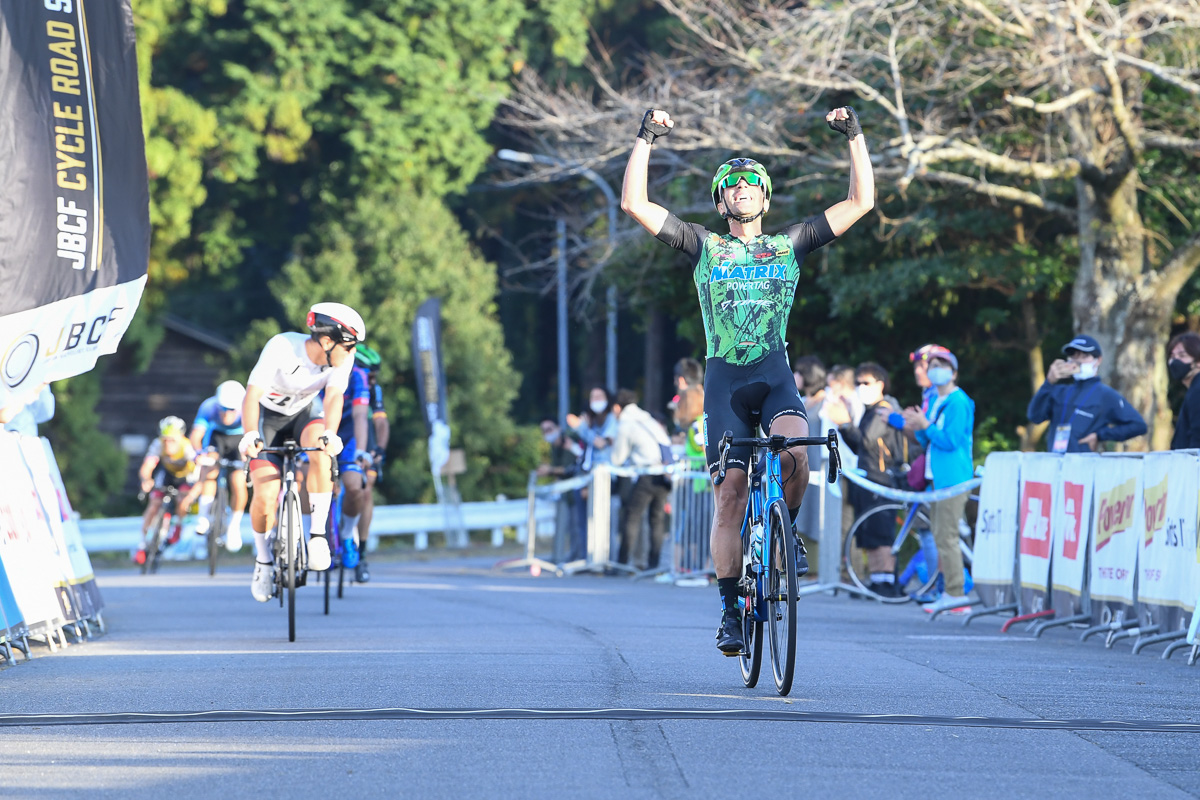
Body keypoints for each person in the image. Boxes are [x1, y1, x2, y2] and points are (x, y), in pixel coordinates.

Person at [621, 103, 874, 653]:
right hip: (725, 382)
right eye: (730, 186)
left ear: (764, 198)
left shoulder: (789, 244)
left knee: (797, 453)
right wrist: (645, 137)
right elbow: (634, 204)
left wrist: (854, 135)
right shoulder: (704, 246)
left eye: (750, 184)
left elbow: (861, 202)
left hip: (774, 372)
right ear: (721, 202)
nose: (741, 189)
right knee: (730, 496)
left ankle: (791, 532)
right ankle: (731, 609)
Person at [239, 302, 365, 603]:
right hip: (266, 419)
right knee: (266, 496)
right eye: (348, 346)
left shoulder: (342, 359)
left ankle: (318, 536)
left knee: (321, 450)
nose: (352, 353)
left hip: (304, 415)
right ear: (326, 340)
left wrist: (331, 434)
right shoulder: (282, 346)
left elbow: (334, 397)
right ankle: (263, 561)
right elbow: (252, 394)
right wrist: (249, 434)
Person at [901, 350, 975, 615]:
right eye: (932, 365)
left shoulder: (958, 401)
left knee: (947, 536)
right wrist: (918, 425)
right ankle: (949, 593)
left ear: (954, 372)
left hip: (954, 479)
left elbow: (950, 440)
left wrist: (925, 425)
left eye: (942, 365)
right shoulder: (936, 400)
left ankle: (956, 595)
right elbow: (928, 441)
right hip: (938, 477)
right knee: (940, 535)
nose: (935, 369)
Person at [833, 363, 907, 597]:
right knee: (869, 534)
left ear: (880, 384)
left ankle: (887, 583)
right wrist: (845, 426)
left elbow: (867, 441)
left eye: (866, 383)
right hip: (868, 477)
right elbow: (858, 448)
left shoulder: (884, 408)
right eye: (858, 383)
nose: (861, 387)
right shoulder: (870, 410)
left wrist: (846, 423)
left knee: (881, 533)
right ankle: (877, 580)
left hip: (881, 479)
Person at [1026, 334, 1146, 453]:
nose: (1078, 361)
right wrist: (1049, 383)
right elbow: (1034, 417)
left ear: (1098, 360)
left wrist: (1100, 435)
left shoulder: (1106, 395)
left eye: (1084, 356)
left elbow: (1138, 426)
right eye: (1073, 355)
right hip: (1055, 463)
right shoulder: (1059, 391)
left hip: (1084, 466)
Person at [322, 343, 376, 580]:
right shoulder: (318, 369)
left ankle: (345, 534)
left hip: (349, 434)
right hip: (320, 429)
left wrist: (362, 451)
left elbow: (361, 416)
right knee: (307, 479)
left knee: (356, 488)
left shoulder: (358, 376)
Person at [610, 388, 673, 571]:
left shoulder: (626, 424)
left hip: (646, 474)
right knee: (657, 520)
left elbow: (617, 459)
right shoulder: (648, 418)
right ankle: (653, 565)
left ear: (616, 407)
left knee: (632, 517)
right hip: (663, 473)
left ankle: (621, 564)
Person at [136, 416, 206, 564]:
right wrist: (146, 480)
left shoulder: (187, 447)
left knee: (182, 501)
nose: (168, 444)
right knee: (154, 503)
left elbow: (200, 473)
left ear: (180, 437)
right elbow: (147, 466)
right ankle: (142, 545)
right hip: (167, 474)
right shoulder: (157, 444)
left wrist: (192, 494)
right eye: (165, 440)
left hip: (186, 476)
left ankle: (178, 527)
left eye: (172, 440)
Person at [188, 380, 248, 551]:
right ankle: (203, 518)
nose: (226, 414)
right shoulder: (208, 407)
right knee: (210, 469)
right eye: (222, 408)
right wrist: (199, 453)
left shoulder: (246, 409)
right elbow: (196, 435)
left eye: (231, 410)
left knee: (238, 482)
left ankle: (234, 526)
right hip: (217, 438)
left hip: (239, 439)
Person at [353, 345, 390, 582]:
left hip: (365, 444)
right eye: (370, 374)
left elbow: (381, 423)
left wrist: (379, 450)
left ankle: (362, 553)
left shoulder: (374, 390)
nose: (373, 379)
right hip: (338, 438)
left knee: (366, 492)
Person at [1167, 332, 1200, 449]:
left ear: (1198, 362)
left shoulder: (1197, 391)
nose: (1175, 361)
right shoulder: (1193, 389)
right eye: (1172, 356)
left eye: (1182, 356)